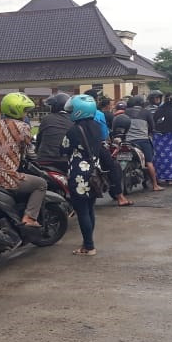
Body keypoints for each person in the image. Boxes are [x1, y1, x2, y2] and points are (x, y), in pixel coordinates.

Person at [0, 92, 47, 227]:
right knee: (41, 184)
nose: (26, 114)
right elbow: (29, 153)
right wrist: (38, 161)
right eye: (24, 110)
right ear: (16, 109)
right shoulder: (23, 127)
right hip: (7, 176)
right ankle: (29, 217)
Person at [62, 94, 108, 255]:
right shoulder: (97, 126)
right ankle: (87, 243)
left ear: (78, 111)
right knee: (89, 210)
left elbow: (63, 150)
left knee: (82, 211)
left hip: (79, 175)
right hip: (95, 173)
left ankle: (89, 246)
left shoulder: (73, 130)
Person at [124, 95, 164, 191]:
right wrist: (151, 131)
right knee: (149, 162)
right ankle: (155, 185)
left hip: (127, 141)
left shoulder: (126, 112)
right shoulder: (146, 112)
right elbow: (152, 126)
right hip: (142, 140)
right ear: (142, 103)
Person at [152, 93, 172, 184]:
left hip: (158, 139)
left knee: (159, 158)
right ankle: (171, 179)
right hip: (170, 138)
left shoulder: (158, 111)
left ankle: (159, 177)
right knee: (171, 158)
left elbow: (154, 123)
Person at [35, 93, 71, 166]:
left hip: (45, 161)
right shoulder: (74, 120)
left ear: (55, 106)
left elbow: (39, 140)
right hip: (66, 161)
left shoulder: (47, 119)